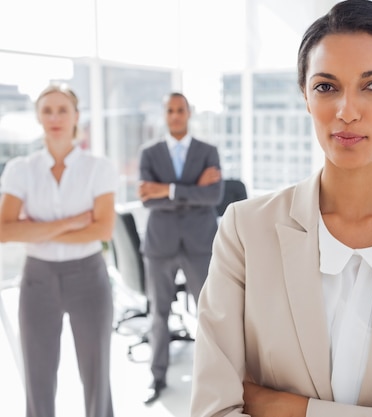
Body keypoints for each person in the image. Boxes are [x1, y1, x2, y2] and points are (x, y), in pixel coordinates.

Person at [190, 1, 372, 416]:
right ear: (305, 95)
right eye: (326, 87)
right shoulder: (245, 231)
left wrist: (294, 409)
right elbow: (214, 409)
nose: (347, 111)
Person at [0, 84, 116, 417]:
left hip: (89, 278)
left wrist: (37, 229)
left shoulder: (99, 167)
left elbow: (102, 230)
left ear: (76, 116)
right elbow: (5, 230)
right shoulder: (21, 169)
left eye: (62, 109)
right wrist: (74, 222)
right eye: (47, 110)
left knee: (97, 378)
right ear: (38, 117)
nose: (55, 117)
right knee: (38, 378)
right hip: (38, 280)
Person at [138, 92, 224, 404]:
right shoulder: (149, 153)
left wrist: (168, 190)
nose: (175, 115)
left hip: (200, 244)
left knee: (209, 314)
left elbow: (213, 197)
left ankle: (214, 381)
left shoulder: (207, 151)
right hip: (160, 245)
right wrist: (190, 189)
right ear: (164, 114)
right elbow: (148, 199)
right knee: (158, 315)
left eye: (181, 110)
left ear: (189, 113)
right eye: (170, 110)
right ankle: (157, 377)